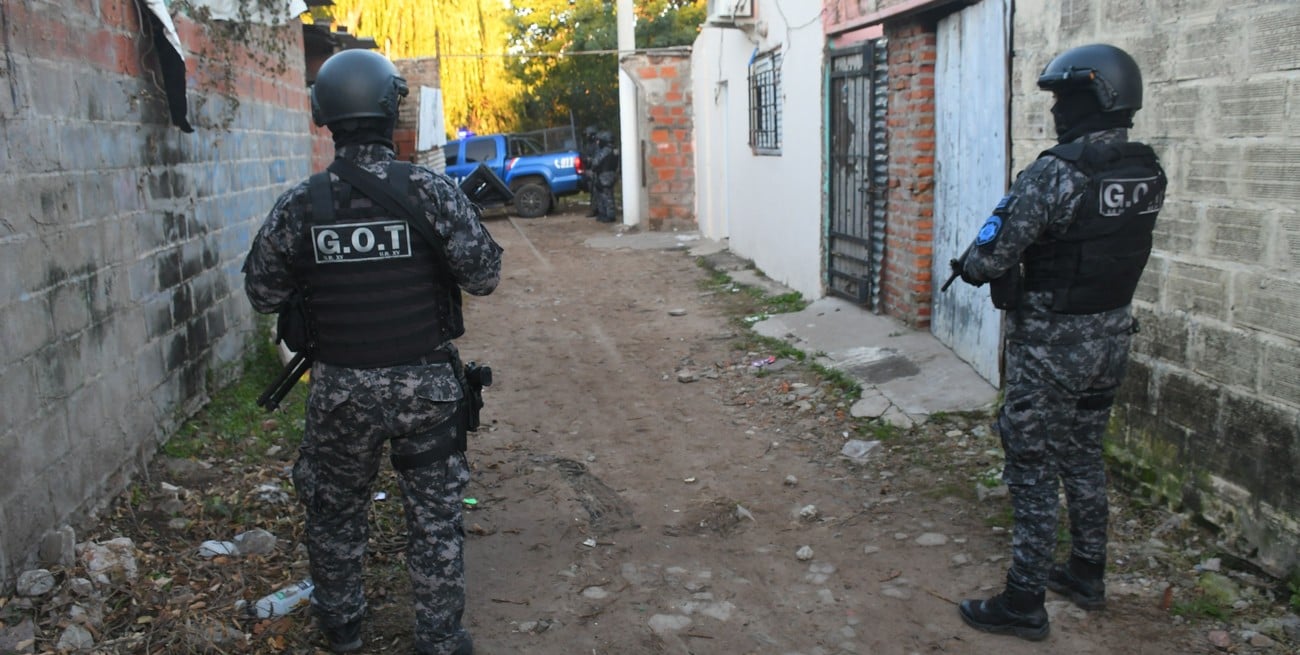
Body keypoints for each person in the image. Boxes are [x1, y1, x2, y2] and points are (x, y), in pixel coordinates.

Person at [243, 49, 502, 655]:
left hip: (340, 392)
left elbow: (261, 292)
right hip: (426, 389)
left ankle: (343, 632)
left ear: (323, 116)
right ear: (393, 109)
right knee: (434, 518)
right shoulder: (430, 193)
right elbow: (483, 275)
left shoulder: (300, 204)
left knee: (335, 516)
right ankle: (439, 640)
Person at [950, 43, 1166, 641]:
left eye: (1064, 98)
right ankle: (1087, 572)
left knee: (1033, 465)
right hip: (1112, 339)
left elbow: (990, 256)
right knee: (1083, 455)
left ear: (1093, 98)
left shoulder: (1057, 172)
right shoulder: (1146, 168)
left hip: (1052, 349)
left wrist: (971, 266)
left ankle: (1024, 600)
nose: (1056, 113)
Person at [590, 130, 620, 223]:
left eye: (599, 140)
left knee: (606, 195)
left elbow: (595, 163)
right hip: (612, 174)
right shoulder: (615, 150)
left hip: (604, 175)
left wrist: (591, 164)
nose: (598, 143)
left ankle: (609, 215)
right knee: (606, 194)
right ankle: (605, 214)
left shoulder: (605, 151)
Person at [580, 125, 599, 217]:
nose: (587, 136)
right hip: (589, 170)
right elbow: (584, 156)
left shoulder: (597, 145)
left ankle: (595, 210)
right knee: (592, 192)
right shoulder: (588, 145)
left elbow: (597, 159)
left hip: (595, 171)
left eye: (588, 134)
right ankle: (595, 209)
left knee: (596, 192)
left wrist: (589, 160)